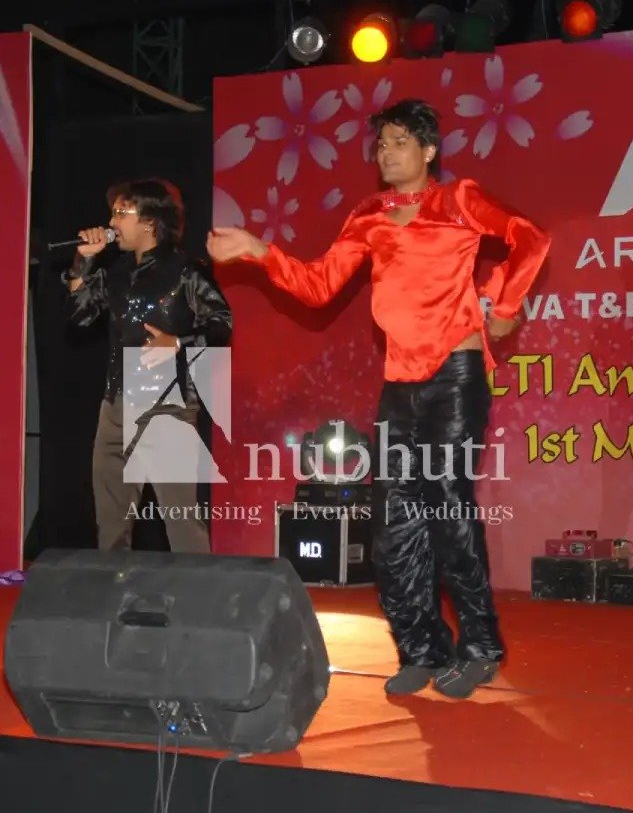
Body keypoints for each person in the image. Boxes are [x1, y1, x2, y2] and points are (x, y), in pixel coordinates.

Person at [206, 98, 550, 699]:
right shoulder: (368, 215)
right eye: (381, 145)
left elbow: (530, 239)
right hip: (399, 382)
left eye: (398, 142)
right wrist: (260, 251)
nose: (386, 154)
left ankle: (480, 646)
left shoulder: (459, 199)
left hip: (456, 373)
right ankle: (421, 647)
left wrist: (504, 305)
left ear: (428, 150)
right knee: (393, 522)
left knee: (447, 506)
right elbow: (317, 286)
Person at [67, 178, 233, 553]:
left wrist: (177, 342)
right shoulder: (116, 273)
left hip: (167, 405)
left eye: (121, 213)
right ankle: (116, 586)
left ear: (149, 221)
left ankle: (199, 589)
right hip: (115, 404)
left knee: (181, 521)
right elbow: (79, 317)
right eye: (112, 213)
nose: (112, 222)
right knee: (111, 521)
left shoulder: (186, 271)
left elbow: (221, 323)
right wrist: (83, 260)